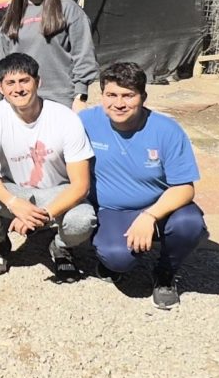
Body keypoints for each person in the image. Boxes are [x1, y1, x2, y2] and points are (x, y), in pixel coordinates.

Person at [81, 61, 207, 309]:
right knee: (118, 257)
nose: (119, 103)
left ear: (143, 97)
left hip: (158, 206)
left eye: (128, 95)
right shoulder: (85, 122)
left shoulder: (167, 130)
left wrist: (149, 216)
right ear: (102, 95)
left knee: (190, 224)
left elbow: (184, 187)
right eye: (111, 95)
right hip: (111, 209)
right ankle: (113, 257)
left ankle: (165, 273)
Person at [0, 53, 96, 280]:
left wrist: (44, 214)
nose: (18, 89)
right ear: (1, 88)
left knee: (83, 220)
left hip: (57, 190)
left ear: (38, 82)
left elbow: (81, 185)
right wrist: (14, 203)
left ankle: (62, 247)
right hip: (15, 189)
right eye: (10, 83)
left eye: (24, 80)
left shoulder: (65, 118)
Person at [0, 0, 97, 110]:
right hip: (20, 101)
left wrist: (80, 95)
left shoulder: (68, 9)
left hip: (60, 100)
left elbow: (83, 54)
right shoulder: (12, 15)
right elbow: (0, 62)